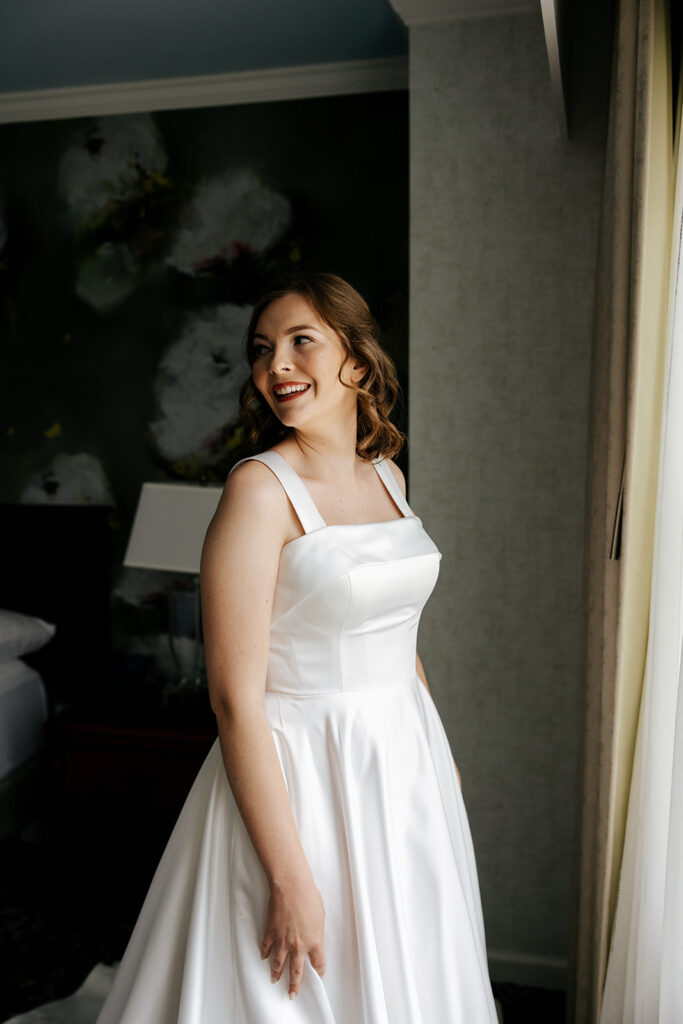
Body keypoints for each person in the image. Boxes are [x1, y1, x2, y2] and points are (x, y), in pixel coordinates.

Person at [95, 272, 499, 1023]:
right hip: (303, 771)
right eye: (261, 349)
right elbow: (234, 700)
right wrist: (288, 877)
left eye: (299, 341)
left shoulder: (387, 475)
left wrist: (437, 767)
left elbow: (399, 637)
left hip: (399, 761)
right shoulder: (258, 490)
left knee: (408, 961)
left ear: (357, 360)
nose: (275, 364)